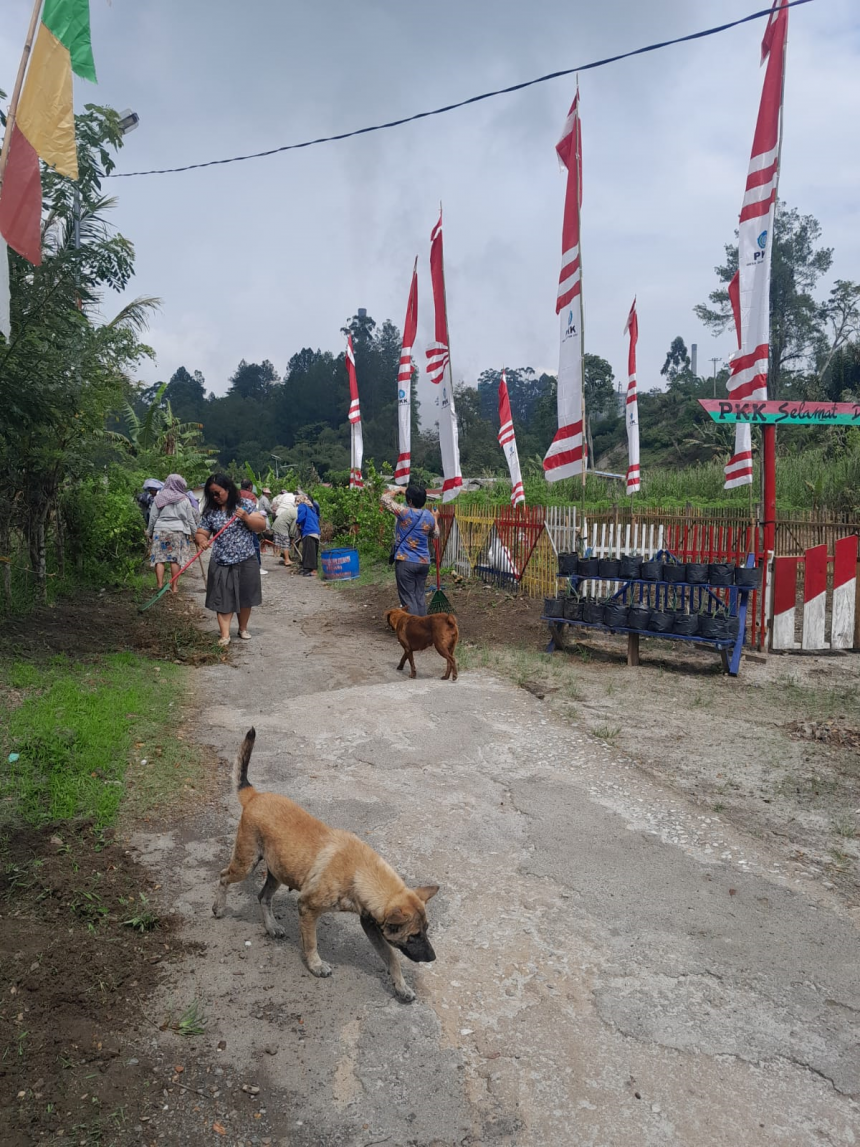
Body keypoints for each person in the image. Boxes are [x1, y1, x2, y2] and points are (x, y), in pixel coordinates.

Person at [195, 473, 267, 647]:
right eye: (211, 494)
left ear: (227, 489)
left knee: (245, 596)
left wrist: (246, 518)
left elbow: (261, 526)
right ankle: (225, 634)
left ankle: (243, 628)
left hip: (245, 558)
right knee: (222, 598)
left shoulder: (245, 505)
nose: (215, 497)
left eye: (218, 493)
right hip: (221, 561)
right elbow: (201, 532)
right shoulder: (210, 512)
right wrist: (202, 540)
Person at [380, 484, 439, 616]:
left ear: (410, 501)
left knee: (408, 598)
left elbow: (384, 499)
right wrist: (436, 518)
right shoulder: (429, 516)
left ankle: (414, 629)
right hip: (423, 561)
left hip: (405, 561)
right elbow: (435, 534)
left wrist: (397, 490)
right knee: (419, 596)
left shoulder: (405, 512)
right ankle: (423, 627)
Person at [146, 474, 197, 593]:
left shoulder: (159, 498)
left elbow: (153, 517)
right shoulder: (184, 499)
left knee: (160, 559)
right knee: (175, 560)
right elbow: (190, 519)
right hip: (178, 532)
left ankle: (159, 586)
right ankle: (174, 587)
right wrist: (195, 534)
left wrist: (149, 531)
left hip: (161, 530)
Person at [239, 479, 267, 575]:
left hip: (236, 525)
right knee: (255, 545)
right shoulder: (251, 496)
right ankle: (257, 567)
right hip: (249, 524)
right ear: (250, 487)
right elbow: (253, 512)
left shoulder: (237, 494)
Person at [296, 494, 321, 577]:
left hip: (308, 530)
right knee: (312, 552)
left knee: (308, 551)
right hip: (316, 531)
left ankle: (310, 570)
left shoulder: (302, 506)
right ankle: (310, 569)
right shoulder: (312, 509)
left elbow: (301, 516)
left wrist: (297, 522)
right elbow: (318, 517)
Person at [272, 492, 297, 567]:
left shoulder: (295, 508)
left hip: (278, 517)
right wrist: (292, 537)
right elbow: (293, 527)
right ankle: (287, 560)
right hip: (281, 525)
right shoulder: (297, 513)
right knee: (286, 541)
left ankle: (284, 557)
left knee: (282, 541)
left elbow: (277, 501)